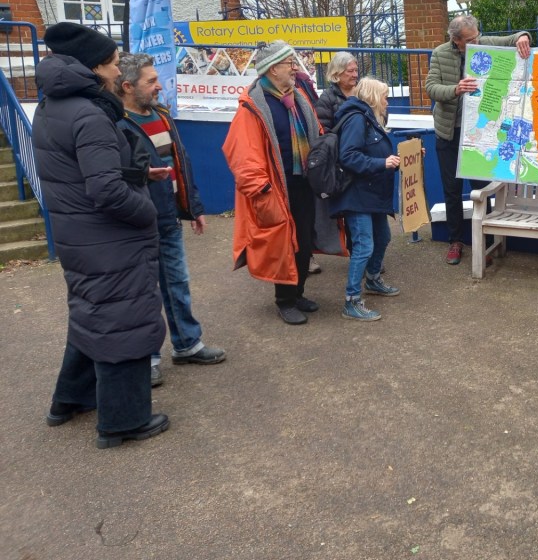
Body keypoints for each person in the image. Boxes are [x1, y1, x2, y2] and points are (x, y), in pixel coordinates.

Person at [32, 23, 169, 448]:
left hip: (80, 235)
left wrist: (137, 174)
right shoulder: (90, 114)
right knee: (123, 321)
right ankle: (123, 422)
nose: (116, 71)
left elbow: (80, 172)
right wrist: (145, 212)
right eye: (111, 63)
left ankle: (69, 400)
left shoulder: (52, 106)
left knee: (93, 313)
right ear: (93, 67)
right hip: (108, 237)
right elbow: (105, 190)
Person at [116, 52, 226, 387]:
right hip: (138, 221)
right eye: (151, 81)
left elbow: (181, 161)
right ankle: (147, 358)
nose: (159, 86)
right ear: (127, 86)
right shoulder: (116, 123)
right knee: (143, 292)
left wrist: (192, 208)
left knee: (177, 282)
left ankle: (187, 344)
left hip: (168, 217)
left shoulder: (162, 114)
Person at [223, 41, 322, 325]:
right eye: (289, 63)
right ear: (272, 69)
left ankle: (298, 292)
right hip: (275, 190)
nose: (294, 68)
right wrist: (261, 189)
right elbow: (242, 154)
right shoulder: (253, 106)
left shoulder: (296, 97)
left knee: (304, 241)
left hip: (303, 184)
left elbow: (316, 131)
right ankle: (285, 301)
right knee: (283, 245)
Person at [426, 14, 530, 265]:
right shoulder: (440, 54)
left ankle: (487, 243)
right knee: (451, 190)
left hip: (479, 135)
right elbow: (431, 87)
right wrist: (455, 89)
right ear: (456, 40)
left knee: (482, 190)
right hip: (449, 134)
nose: (476, 42)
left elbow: (512, 39)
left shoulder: (483, 42)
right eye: (470, 40)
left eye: (477, 36)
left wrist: (523, 37)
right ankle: (455, 242)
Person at [328, 77, 401, 320]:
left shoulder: (370, 118)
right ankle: (351, 301)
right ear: (373, 97)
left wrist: (404, 159)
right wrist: (383, 163)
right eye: (384, 97)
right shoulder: (357, 119)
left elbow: (377, 154)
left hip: (371, 194)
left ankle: (372, 279)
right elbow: (348, 156)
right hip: (356, 195)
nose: (387, 102)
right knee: (364, 246)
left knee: (383, 237)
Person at [315, 51, 359, 131]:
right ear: (336, 73)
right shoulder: (327, 98)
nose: (355, 75)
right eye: (350, 71)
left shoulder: (363, 92)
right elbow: (324, 130)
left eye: (356, 70)